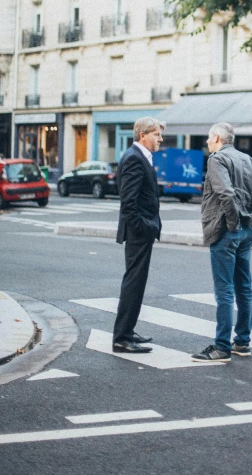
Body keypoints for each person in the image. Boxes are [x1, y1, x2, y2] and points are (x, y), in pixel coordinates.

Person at [192, 122, 252, 363]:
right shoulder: (248, 160)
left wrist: (232, 223)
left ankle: (221, 347)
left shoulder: (217, 160)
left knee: (225, 292)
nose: (207, 142)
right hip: (245, 233)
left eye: (209, 137)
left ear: (217, 137)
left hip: (226, 232)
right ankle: (242, 342)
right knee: (244, 288)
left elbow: (225, 193)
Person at [112, 117, 164, 353]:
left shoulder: (140, 156)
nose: (160, 139)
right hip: (138, 232)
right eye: (156, 135)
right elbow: (128, 203)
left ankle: (127, 330)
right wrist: (145, 227)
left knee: (136, 282)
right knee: (133, 283)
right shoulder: (134, 158)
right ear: (142, 135)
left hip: (141, 230)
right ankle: (122, 337)